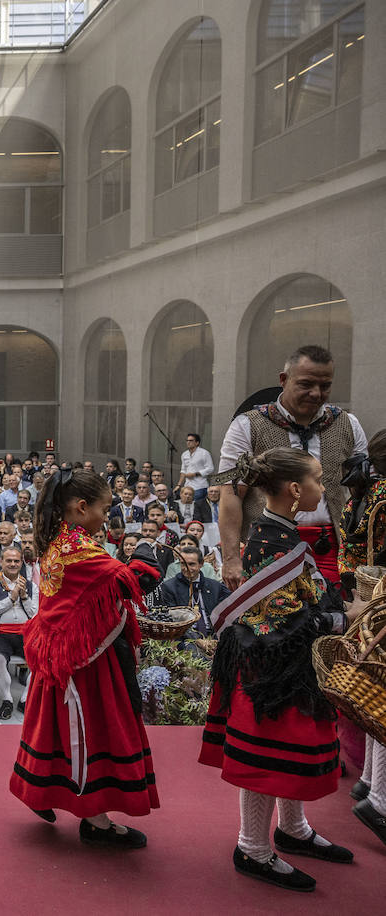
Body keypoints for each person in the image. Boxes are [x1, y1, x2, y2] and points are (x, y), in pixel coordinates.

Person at [200, 448, 355, 891]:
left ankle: (293, 830)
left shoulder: (279, 533)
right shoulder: (273, 541)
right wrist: (345, 618)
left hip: (281, 668)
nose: (323, 489)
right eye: (319, 481)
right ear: (294, 490)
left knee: (283, 752)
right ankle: (252, 847)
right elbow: (285, 623)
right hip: (269, 670)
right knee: (267, 759)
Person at [8, 467, 160, 849]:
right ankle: (96, 820)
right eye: (104, 509)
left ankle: (42, 792)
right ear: (80, 507)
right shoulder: (80, 548)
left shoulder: (60, 538)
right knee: (92, 730)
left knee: (53, 729)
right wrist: (145, 554)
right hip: (84, 662)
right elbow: (129, 580)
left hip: (61, 651)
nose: (106, 516)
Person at [218, 346, 367, 595]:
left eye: (325, 386)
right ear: (284, 380)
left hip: (332, 547)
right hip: (266, 544)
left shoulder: (348, 424)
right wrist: (231, 558)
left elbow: (362, 491)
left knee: (336, 620)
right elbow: (230, 493)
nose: (316, 393)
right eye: (306, 384)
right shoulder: (247, 425)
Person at [337, 430, 386, 847]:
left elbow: (348, 552)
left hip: (367, 594)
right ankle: (381, 801)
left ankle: (371, 782)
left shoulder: (362, 493)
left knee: (378, 690)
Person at [0, 546, 36, 720]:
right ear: (1, 562)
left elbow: (36, 615)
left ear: (21, 563)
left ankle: (25, 699)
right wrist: (11, 599)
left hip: (26, 634)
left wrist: (24, 597)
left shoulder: (31, 585)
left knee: (43, 659)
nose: (12, 564)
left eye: (16, 561)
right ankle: (7, 699)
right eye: (8, 560)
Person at [179, 432, 216, 500]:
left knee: (196, 506)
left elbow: (210, 468)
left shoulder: (204, 453)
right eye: (187, 440)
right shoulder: (184, 454)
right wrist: (179, 485)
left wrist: (195, 474)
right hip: (187, 486)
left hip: (200, 486)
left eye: (191, 441)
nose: (188, 442)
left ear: (197, 443)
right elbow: (183, 470)